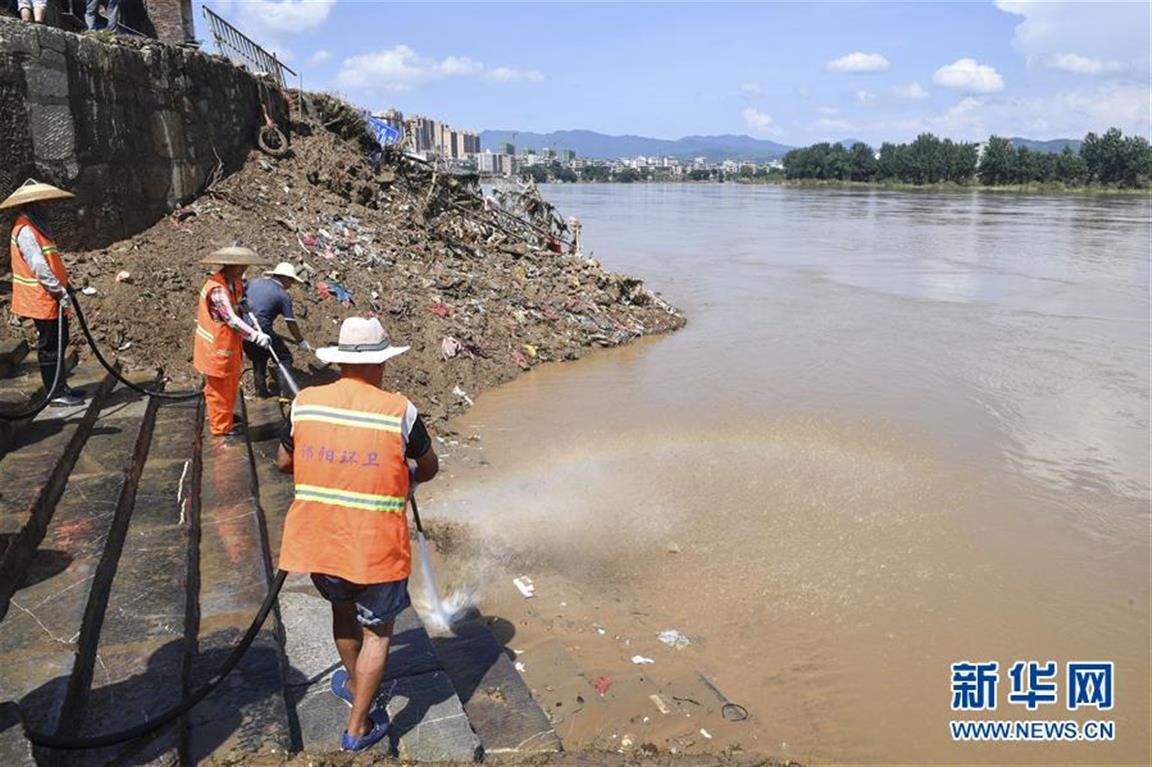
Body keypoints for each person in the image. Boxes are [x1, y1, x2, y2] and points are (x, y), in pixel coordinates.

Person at [276, 317, 439, 752]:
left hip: (319, 542)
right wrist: (406, 475)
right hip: (375, 549)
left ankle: (351, 683)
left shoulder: (305, 402)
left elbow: (281, 462)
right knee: (379, 633)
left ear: (341, 362)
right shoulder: (398, 410)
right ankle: (358, 726)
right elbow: (429, 467)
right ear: (382, 363)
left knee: (343, 613)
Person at [2, 178, 85, 406]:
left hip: (51, 296)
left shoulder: (37, 228)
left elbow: (50, 261)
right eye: (43, 203)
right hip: (42, 297)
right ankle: (55, 393)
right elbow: (38, 265)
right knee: (50, 346)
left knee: (61, 341)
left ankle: (61, 386)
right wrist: (57, 290)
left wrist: (64, 287)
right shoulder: (26, 230)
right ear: (32, 205)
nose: (47, 207)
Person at [192, 246, 271, 436]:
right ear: (230, 266)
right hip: (216, 348)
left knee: (231, 385)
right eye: (241, 266)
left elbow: (239, 304)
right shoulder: (217, 288)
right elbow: (231, 319)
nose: (244, 270)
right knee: (219, 390)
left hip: (230, 346)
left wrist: (245, 306)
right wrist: (254, 335)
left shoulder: (234, 282)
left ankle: (225, 418)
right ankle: (220, 429)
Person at [242, 261, 313, 398]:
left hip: (244, 328)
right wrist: (301, 341)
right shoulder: (282, 295)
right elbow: (290, 322)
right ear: (285, 278)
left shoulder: (255, 282)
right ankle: (288, 393)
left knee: (259, 358)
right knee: (284, 357)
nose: (291, 285)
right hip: (261, 328)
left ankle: (261, 392)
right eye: (291, 281)